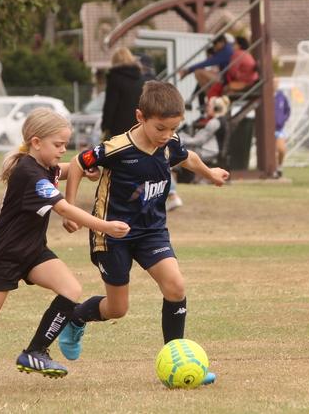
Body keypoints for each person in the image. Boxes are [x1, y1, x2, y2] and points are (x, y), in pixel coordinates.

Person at [0, 108, 130, 392]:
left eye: (65, 145)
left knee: (71, 289)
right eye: (58, 145)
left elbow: (68, 168)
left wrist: (87, 168)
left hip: (33, 251)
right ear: (36, 142)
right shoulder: (28, 172)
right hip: (5, 254)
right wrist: (104, 226)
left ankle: (35, 352)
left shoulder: (44, 165)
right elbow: (62, 208)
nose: (63, 150)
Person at [58, 81, 230, 386]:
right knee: (117, 309)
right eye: (160, 128)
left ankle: (178, 361)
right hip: (112, 234)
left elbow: (187, 157)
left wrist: (210, 173)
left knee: (176, 286)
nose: (166, 136)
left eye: (173, 128)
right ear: (141, 117)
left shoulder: (169, 142)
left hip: (152, 231)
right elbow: (77, 162)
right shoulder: (117, 148)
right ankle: (77, 317)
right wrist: (69, 209)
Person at [101, 47, 144, 139]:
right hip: (138, 125)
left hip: (118, 127)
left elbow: (110, 105)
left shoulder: (114, 78)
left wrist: (105, 126)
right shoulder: (140, 77)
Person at [178, 95, 229, 166]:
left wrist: (178, 139)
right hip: (212, 151)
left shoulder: (214, 122)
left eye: (209, 106)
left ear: (216, 108)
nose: (207, 108)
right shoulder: (222, 120)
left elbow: (198, 141)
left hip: (209, 153)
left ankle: (176, 174)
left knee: (176, 148)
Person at [274, 79, 291, 178]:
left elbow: (287, 110)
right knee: (272, 152)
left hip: (278, 129)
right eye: (273, 82)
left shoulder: (281, 96)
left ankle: (279, 167)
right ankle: (274, 170)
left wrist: (282, 119)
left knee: (281, 149)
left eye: (276, 82)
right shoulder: (266, 95)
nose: (275, 84)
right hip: (268, 130)